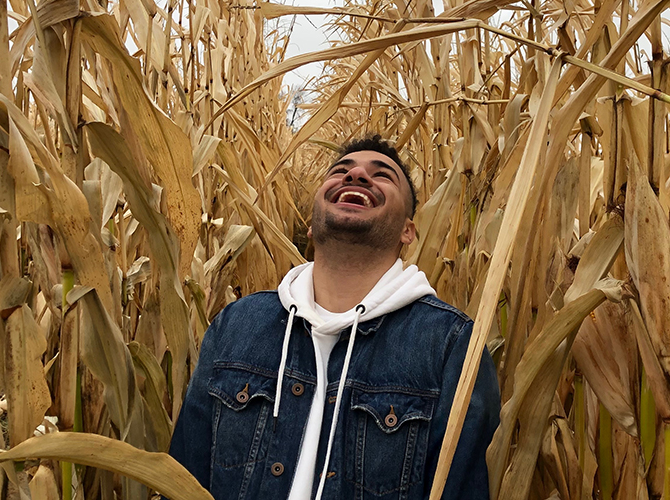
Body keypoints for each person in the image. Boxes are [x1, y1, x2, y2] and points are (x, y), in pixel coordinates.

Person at [169, 135, 501, 500]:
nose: (356, 174)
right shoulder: (238, 325)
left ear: (408, 231)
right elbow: (184, 477)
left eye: (383, 175)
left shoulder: (449, 346)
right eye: (341, 171)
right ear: (311, 225)